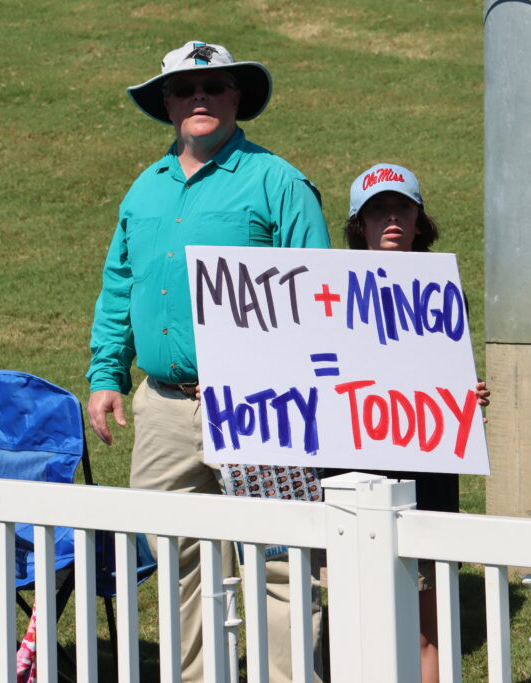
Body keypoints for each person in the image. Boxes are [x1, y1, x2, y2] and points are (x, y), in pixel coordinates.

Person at [86, 40, 331, 682]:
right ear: (167, 104)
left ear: (236, 98)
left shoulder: (279, 182)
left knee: (279, 562)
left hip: (260, 404)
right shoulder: (144, 189)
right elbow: (120, 287)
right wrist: (107, 373)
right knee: (176, 560)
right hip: (163, 405)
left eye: (214, 86)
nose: (200, 97)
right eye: (185, 89)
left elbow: (319, 295)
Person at [327, 163, 489, 683]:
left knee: (424, 624)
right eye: (378, 211)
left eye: (403, 209)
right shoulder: (324, 290)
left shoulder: (441, 291)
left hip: (426, 477)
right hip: (349, 477)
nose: (391, 219)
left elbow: (441, 375)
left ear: (420, 222)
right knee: (352, 621)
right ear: (359, 225)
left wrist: (465, 395)